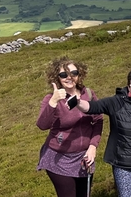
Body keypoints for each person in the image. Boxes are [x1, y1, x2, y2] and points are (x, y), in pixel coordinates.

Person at [73, 68, 131, 197]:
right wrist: (78, 102)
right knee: (126, 195)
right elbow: (92, 107)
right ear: (128, 87)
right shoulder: (116, 102)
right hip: (123, 162)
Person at [37, 57, 103, 197]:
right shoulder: (51, 98)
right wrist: (54, 101)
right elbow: (42, 125)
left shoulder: (89, 94)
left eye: (74, 73)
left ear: (80, 75)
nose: (69, 77)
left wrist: (93, 147)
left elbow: (98, 121)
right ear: (57, 78)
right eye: (63, 75)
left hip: (84, 157)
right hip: (58, 159)